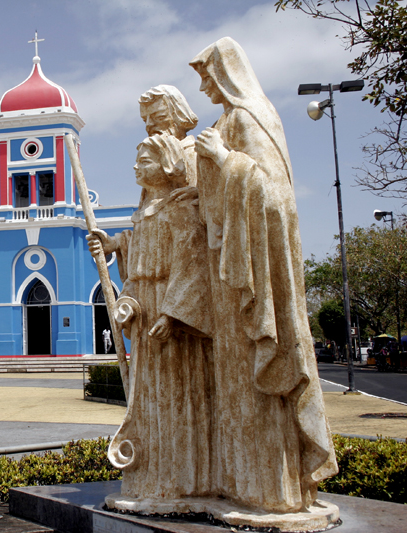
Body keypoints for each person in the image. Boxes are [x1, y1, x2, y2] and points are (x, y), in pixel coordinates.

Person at [190, 37, 337, 513]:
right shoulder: (225, 120)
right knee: (234, 388)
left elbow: (275, 198)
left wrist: (222, 159)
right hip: (226, 272)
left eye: (207, 75)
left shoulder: (250, 117)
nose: (203, 85)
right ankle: (240, 484)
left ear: (227, 72)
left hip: (250, 274)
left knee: (258, 383)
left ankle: (272, 490)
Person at [88, 133, 212, 502]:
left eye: (144, 161)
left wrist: (174, 314)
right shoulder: (143, 213)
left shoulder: (182, 205)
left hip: (167, 311)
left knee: (175, 394)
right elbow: (138, 248)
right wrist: (114, 245)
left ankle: (182, 477)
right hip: (144, 307)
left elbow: (193, 261)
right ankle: (153, 471)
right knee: (149, 397)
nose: (135, 167)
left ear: (168, 165)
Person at [139, 85, 199, 186]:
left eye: (159, 117)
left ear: (179, 116)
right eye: (145, 120)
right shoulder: (151, 156)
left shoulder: (194, 153)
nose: (149, 125)